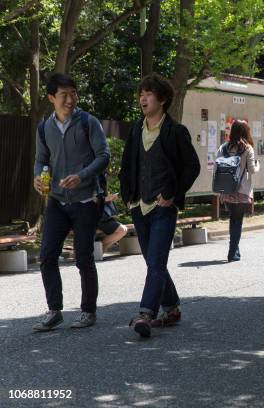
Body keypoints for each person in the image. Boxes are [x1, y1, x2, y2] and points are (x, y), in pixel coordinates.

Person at [119, 73, 201, 337]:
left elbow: (192, 166)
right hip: (139, 206)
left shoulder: (175, 131)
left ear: (162, 99)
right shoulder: (135, 129)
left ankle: (146, 313)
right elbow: (127, 165)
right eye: (141, 94)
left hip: (163, 207)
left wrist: (174, 194)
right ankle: (172, 307)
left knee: (155, 262)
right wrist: (127, 195)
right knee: (154, 262)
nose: (143, 98)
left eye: (149, 93)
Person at [32, 73, 110, 331]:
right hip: (56, 200)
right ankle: (54, 310)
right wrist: (38, 177)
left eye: (73, 93)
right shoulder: (44, 128)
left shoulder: (88, 122)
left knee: (84, 257)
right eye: (64, 95)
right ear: (51, 98)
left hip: (86, 200)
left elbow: (104, 156)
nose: (70, 99)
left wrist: (83, 175)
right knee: (47, 255)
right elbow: (41, 159)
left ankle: (88, 311)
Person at [215, 120, 260, 262]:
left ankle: (235, 250)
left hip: (226, 190)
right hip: (241, 190)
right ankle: (232, 252)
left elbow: (216, 168)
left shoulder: (223, 148)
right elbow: (252, 170)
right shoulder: (247, 149)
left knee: (232, 219)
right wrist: (258, 165)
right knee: (237, 221)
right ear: (245, 132)